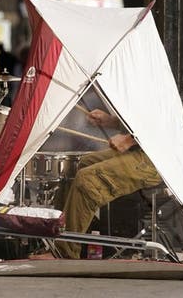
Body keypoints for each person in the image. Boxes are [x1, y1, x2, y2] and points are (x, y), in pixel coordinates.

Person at [57, 109, 162, 259]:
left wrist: (129, 139)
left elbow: (163, 120)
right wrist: (111, 121)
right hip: (142, 149)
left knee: (87, 179)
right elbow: (145, 116)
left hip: (158, 159)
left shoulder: (156, 86)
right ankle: (66, 238)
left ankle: (64, 253)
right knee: (84, 164)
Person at [0, 42, 19, 106]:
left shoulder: (0, 57)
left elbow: (0, 68)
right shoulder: (9, 55)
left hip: (4, 79)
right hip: (10, 78)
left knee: (3, 96)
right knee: (10, 95)